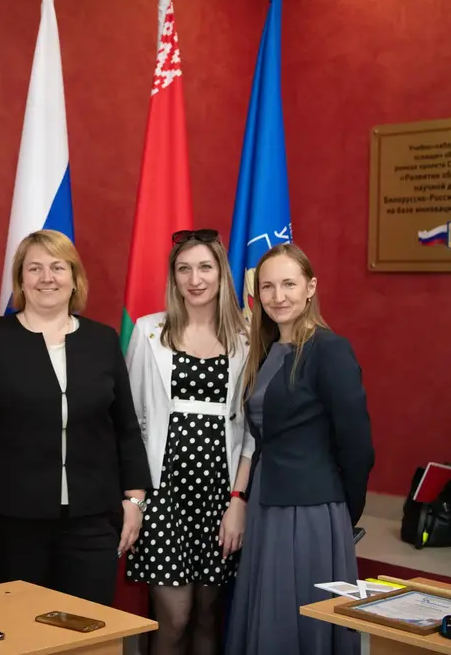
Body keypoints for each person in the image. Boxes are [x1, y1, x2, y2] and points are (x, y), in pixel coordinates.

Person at [0, 229, 151, 606]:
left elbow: (126, 428)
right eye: (34, 268)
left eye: (58, 267)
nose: (46, 278)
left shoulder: (102, 341)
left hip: (93, 522)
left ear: (75, 278)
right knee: (21, 632)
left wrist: (135, 501)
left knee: (89, 634)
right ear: (21, 280)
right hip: (13, 523)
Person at [225, 243, 375, 655]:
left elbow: (357, 443)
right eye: (268, 287)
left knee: (299, 623)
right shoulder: (267, 349)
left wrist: (345, 512)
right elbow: (261, 437)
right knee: (269, 617)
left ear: (311, 287)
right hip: (267, 504)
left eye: (289, 284)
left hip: (310, 511)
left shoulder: (329, 349)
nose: (278, 296)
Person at [125, 229, 252, 655]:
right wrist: (134, 498)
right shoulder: (148, 333)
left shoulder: (248, 339)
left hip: (220, 499)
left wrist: (238, 500)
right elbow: (129, 420)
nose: (195, 278)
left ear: (221, 273)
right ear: (173, 278)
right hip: (163, 498)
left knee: (207, 617)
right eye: (184, 269)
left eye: (204, 267)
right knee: (174, 619)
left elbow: (253, 429)